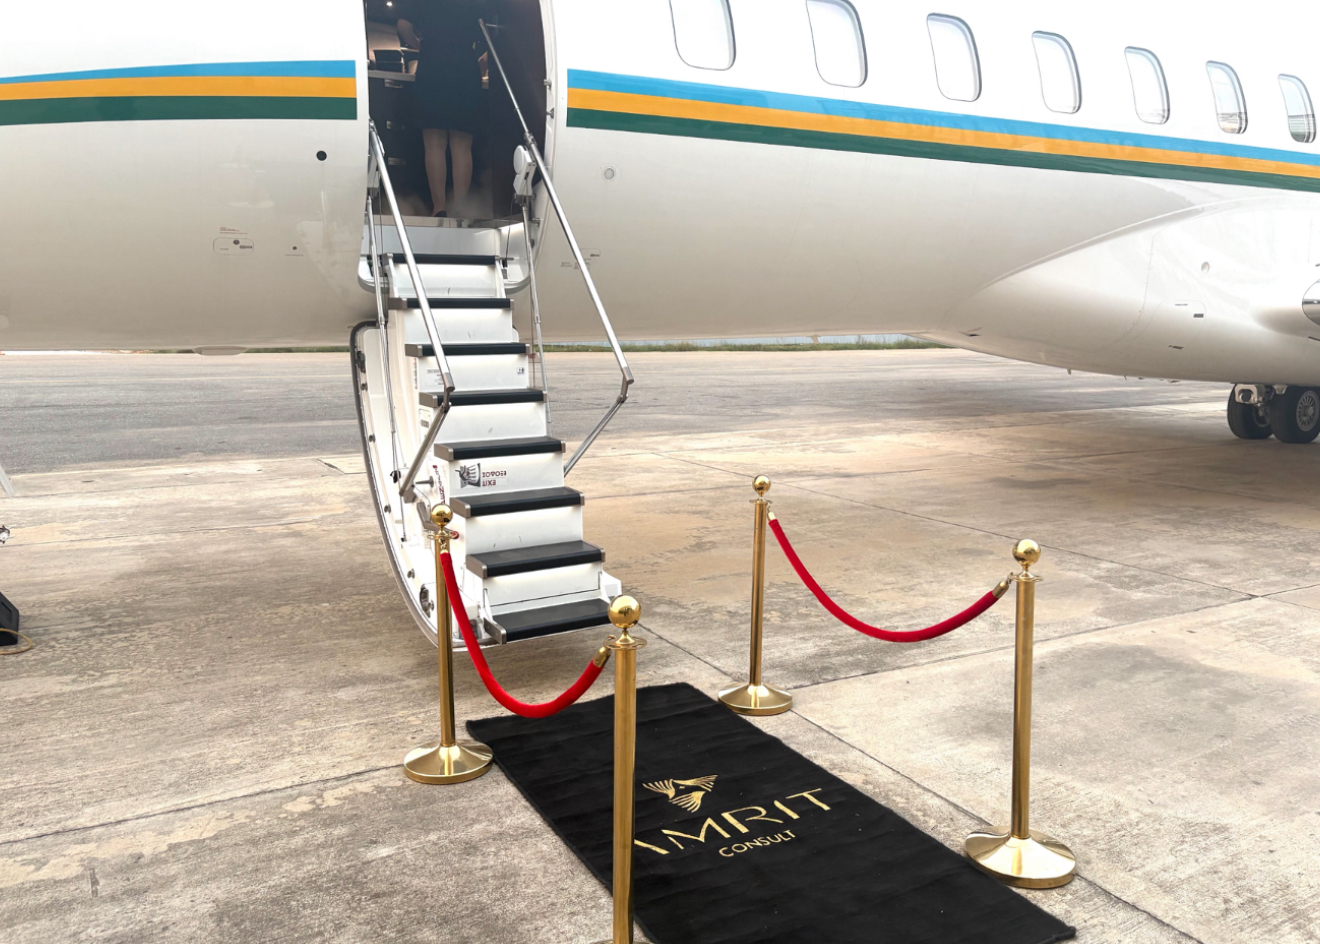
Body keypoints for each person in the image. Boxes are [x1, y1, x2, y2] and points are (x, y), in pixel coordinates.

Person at [397, 0, 486, 218]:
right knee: (462, 144)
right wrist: (478, 63)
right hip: (465, 65)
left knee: (434, 141)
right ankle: (461, 207)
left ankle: (439, 208)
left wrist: (421, 46)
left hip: (432, 63)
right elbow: (493, 37)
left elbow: (403, 26)